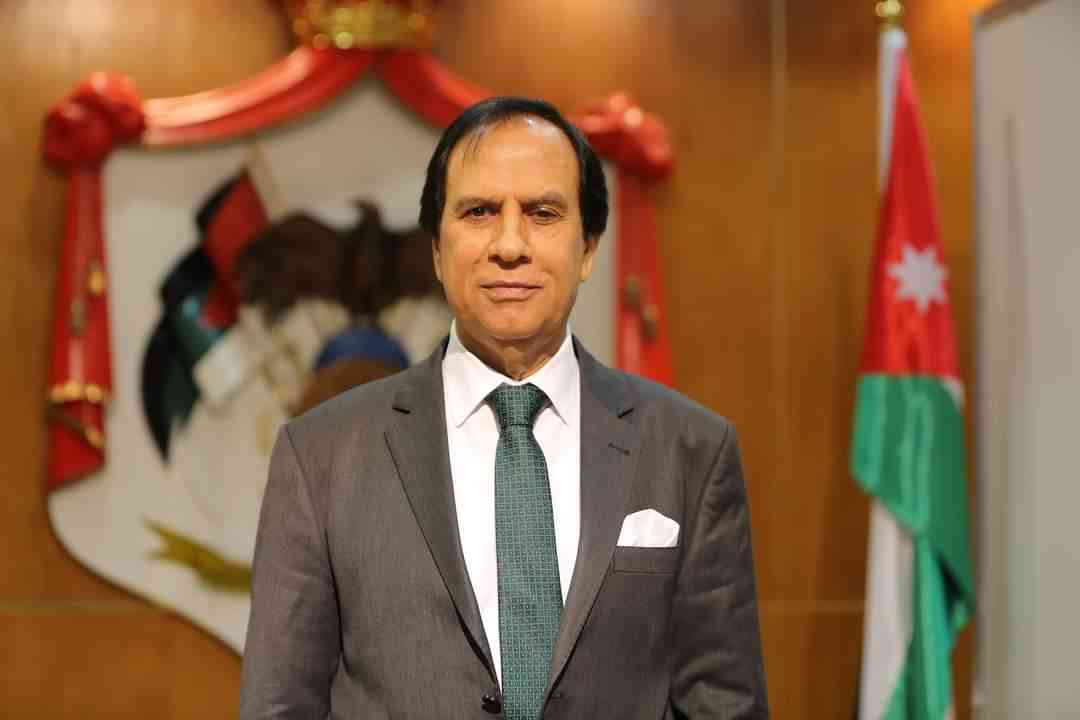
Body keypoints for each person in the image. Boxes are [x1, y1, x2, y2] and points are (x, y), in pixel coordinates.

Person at [239, 96, 769, 719]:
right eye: (479, 212)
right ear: (437, 250)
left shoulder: (689, 451)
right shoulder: (320, 456)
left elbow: (723, 705)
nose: (510, 245)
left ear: (588, 247)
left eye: (543, 213)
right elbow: (280, 707)